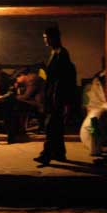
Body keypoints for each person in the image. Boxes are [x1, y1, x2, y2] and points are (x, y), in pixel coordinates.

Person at [34, 26, 77, 165]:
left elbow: (62, 77)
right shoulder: (55, 52)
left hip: (57, 95)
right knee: (56, 126)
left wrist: (58, 97)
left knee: (51, 125)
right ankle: (59, 153)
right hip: (54, 94)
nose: (45, 40)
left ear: (54, 37)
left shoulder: (61, 53)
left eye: (46, 37)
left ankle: (46, 154)